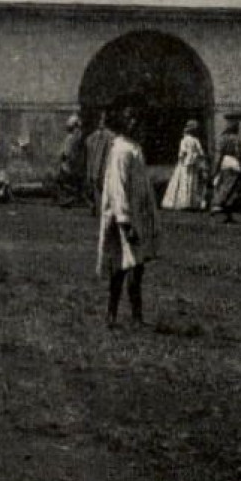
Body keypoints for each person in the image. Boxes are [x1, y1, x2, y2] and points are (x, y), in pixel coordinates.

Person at [96, 99, 160, 328]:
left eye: (139, 119)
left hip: (137, 215)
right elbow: (117, 188)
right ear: (123, 122)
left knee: (135, 266)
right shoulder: (121, 150)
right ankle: (116, 314)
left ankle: (133, 316)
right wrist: (125, 221)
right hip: (125, 218)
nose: (136, 123)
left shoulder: (133, 148)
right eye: (131, 119)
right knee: (124, 266)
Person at [160, 120, 208, 211]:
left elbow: (182, 153)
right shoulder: (196, 140)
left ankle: (183, 202)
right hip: (194, 162)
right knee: (192, 182)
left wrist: (181, 160)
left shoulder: (184, 140)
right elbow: (201, 152)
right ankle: (191, 203)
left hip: (185, 162)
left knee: (183, 182)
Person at [210, 116, 241, 220]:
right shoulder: (236, 139)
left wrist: (215, 169)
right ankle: (218, 205)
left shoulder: (222, 138)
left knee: (226, 186)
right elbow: (239, 154)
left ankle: (227, 214)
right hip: (234, 164)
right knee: (230, 189)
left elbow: (219, 155)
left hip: (224, 164)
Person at [83, 112, 114, 214]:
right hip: (95, 165)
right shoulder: (93, 137)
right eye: (100, 119)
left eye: (103, 119)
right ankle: (96, 207)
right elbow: (89, 146)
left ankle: (104, 208)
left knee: (103, 188)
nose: (101, 122)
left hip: (104, 166)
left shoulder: (110, 136)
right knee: (95, 187)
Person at [56, 115, 87, 207]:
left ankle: (70, 198)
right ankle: (71, 198)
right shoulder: (78, 136)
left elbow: (67, 151)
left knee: (64, 181)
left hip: (69, 163)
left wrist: (63, 157)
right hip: (73, 163)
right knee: (68, 182)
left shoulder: (71, 137)